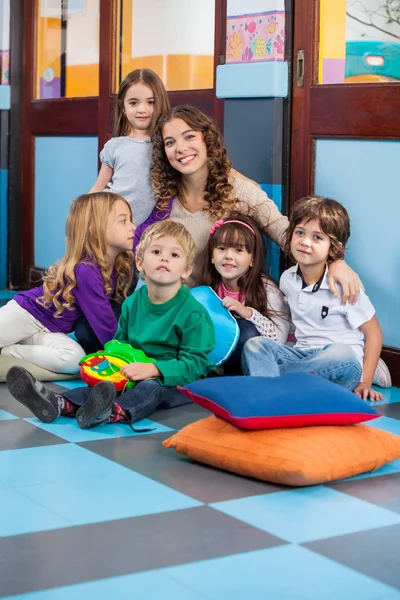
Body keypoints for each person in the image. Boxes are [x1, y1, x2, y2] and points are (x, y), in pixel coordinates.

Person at [134, 105, 362, 303]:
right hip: (169, 305)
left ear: (207, 139)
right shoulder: (160, 196)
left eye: (189, 136)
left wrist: (334, 262)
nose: (180, 148)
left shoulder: (240, 191)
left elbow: (287, 235)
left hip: (222, 310)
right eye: (170, 142)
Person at [6, 221, 216, 428]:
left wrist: (153, 369)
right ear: (141, 263)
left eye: (174, 255)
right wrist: (102, 361)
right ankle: (59, 403)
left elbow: (194, 364)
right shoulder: (132, 303)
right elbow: (120, 343)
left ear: (186, 270)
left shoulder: (193, 314)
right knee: (104, 385)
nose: (164, 258)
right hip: (133, 368)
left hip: (175, 376)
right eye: (156, 252)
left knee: (150, 388)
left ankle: (113, 412)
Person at [242, 196, 391, 401]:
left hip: (340, 365)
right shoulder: (288, 279)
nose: (304, 242)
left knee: (340, 353)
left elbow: (374, 334)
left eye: (317, 238)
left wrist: (364, 382)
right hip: (304, 356)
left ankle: (272, 385)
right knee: (254, 345)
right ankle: (279, 391)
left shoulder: (344, 286)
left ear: (333, 248)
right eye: (300, 233)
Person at [0, 193, 134, 374]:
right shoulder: (86, 270)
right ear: (95, 231)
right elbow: (105, 323)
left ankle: (8, 351)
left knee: (74, 360)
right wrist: (127, 359)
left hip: (49, 331)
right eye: (123, 221)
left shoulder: (118, 266)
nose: (132, 227)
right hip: (25, 315)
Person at [198, 213, 290, 373]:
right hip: (222, 360)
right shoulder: (210, 288)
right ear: (212, 256)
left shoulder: (266, 290)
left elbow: (280, 338)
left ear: (252, 259)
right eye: (221, 248)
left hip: (262, 360)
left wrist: (248, 313)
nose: (228, 256)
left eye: (238, 250)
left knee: (246, 331)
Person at [90, 68, 170, 226]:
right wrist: (80, 222)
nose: (142, 109)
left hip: (149, 228)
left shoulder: (167, 144)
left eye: (151, 102)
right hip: (111, 222)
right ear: (123, 107)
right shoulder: (115, 146)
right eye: (133, 103)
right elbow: (98, 189)